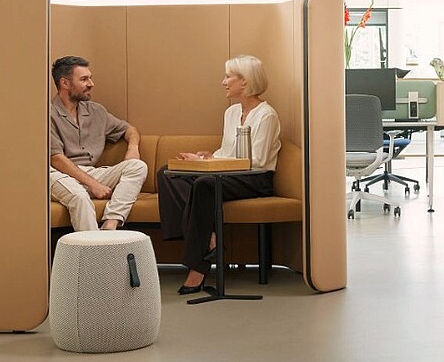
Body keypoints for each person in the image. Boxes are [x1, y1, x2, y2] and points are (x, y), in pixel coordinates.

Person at [157, 55, 282, 295]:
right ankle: (209, 238)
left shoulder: (266, 115)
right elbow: (227, 151)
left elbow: (257, 160)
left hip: (256, 178)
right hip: (229, 172)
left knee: (204, 184)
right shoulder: (232, 112)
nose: (223, 82)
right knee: (168, 173)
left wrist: (212, 163)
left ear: (244, 82)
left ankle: (198, 269)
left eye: (228, 77)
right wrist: (207, 158)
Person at [48, 55, 147, 231]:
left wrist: (133, 148)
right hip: (57, 174)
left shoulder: (96, 111)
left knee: (137, 166)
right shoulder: (48, 114)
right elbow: (56, 159)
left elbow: (130, 130)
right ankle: (94, 253)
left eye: (90, 78)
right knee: (80, 197)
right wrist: (93, 185)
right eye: (84, 79)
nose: (91, 84)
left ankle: (110, 225)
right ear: (65, 83)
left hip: (89, 172)